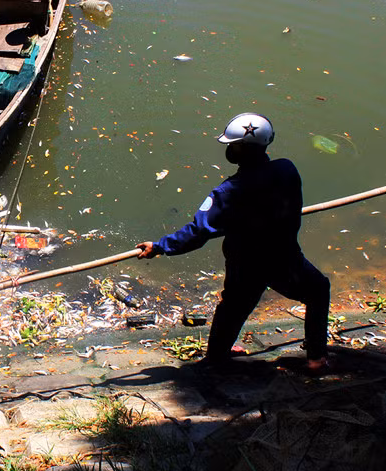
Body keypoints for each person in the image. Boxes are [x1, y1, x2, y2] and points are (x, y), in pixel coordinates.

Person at [137, 112, 331, 371]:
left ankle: (217, 357)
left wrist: (160, 246)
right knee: (318, 290)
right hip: (285, 257)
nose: (229, 148)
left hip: (247, 263)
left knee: (233, 308)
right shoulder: (287, 169)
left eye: (233, 145)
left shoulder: (228, 192)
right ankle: (316, 358)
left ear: (243, 149)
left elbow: (198, 232)